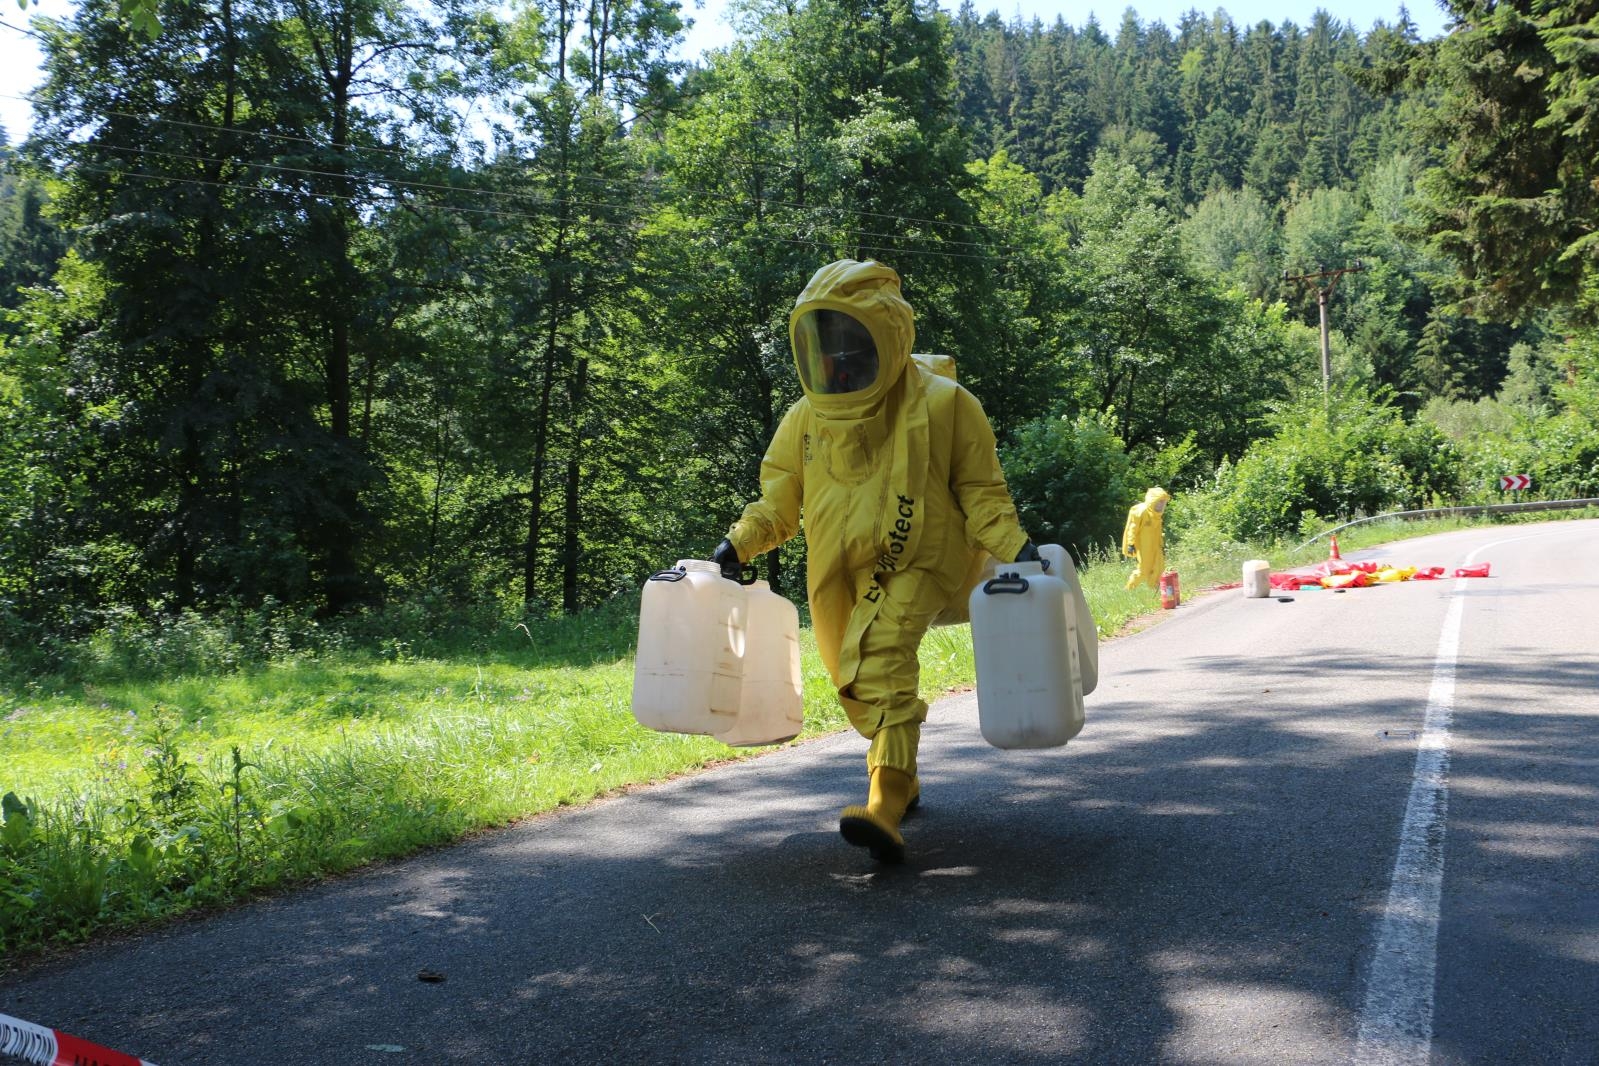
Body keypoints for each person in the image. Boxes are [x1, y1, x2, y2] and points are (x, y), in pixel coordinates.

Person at [712, 259, 1037, 864]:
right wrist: (737, 546)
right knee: (852, 670)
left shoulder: (946, 406)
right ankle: (902, 779)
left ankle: (884, 805)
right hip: (840, 568)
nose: (835, 362)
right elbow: (778, 502)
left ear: (885, 339)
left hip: (923, 558)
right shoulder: (806, 417)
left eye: (849, 344)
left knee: (884, 659)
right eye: (823, 345)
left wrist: (1019, 551)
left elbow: (982, 495)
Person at [1121, 487, 1171, 591]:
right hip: (1144, 547)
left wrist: (1161, 545)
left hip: (1155, 547)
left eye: (1163, 502)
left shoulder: (1157, 515)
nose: (1162, 504)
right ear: (1153, 501)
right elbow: (1132, 528)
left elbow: (1157, 532)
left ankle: (1154, 589)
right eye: (1160, 501)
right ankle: (1128, 589)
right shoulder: (1142, 512)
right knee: (1143, 570)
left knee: (1159, 568)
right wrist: (1131, 544)